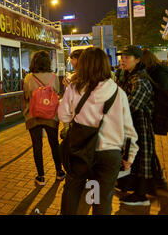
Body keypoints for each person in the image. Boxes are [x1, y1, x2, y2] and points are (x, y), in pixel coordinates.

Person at [59, 47, 138, 215]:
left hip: (80, 149)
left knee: (72, 189)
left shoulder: (73, 88)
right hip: (109, 153)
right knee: (102, 198)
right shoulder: (118, 92)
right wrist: (129, 156)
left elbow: (63, 116)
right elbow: (128, 129)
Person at [116, 45, 156, 206]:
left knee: (141, 160)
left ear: (138, 60)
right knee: (135, 159)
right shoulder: (128, 76)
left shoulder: (140, 80)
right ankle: (137, 191)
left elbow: (131, 106)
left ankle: (142, 196)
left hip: (141, 127)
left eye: (127, 57)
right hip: (132, 126)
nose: (122, 60)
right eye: (122, 57)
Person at [22, 50, 65, 186]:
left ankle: (41, 176)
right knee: (54, 144)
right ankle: (59, 172)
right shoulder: (54, 77)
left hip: (33, 115)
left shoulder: (29, 78)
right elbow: (57, 93)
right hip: (51, 115)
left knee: (37, 146)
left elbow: (27, 95)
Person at [140, 49, 168, 192]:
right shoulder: (158, 70)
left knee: (148, 145)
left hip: (160, 113)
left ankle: (158, 179)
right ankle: (157, 178)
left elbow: (162, 92)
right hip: (158, 113)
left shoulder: (158, 73)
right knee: (149, 146)